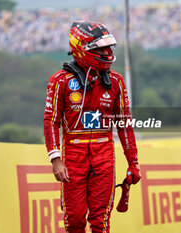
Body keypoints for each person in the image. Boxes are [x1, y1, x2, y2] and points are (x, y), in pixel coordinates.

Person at [43, 21, 141, 233]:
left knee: (100, 221)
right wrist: (56, 159)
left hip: (104, 153)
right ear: (80, 47)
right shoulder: (60, 80)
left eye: (108, 48)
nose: (106, 53)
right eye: (99, 48)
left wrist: (133, 163)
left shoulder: (116, 81)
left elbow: (124, 125)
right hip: (72, 155)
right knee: (75, 220)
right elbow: (51, 121)